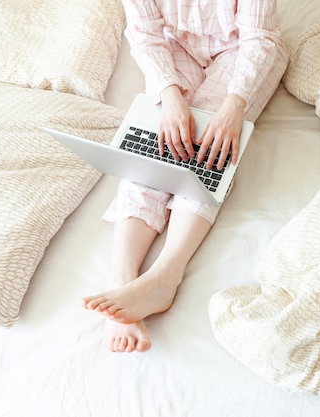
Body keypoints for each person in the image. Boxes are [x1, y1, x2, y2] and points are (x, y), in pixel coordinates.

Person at [80, 0, 289, 353]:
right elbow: (145, 33)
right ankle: (122, 278)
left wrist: (234, 106)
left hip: (245, 49)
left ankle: (165, 276)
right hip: (173, 45)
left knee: (210, 146)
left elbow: (258, 37)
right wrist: (168, 94)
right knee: (154, 146)